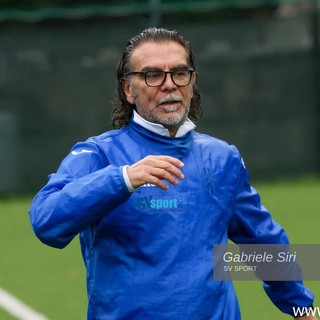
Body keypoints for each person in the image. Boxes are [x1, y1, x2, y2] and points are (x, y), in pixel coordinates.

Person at [29, 27, 316, 320]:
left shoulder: (222, 158)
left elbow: (264, 243)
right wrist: (123, 179)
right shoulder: (98, 155)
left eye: (179, 72)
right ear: (128, 89)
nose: (169, 85)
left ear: (192, 81)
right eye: (152, 75)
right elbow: (46, 221)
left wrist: (303, 309)